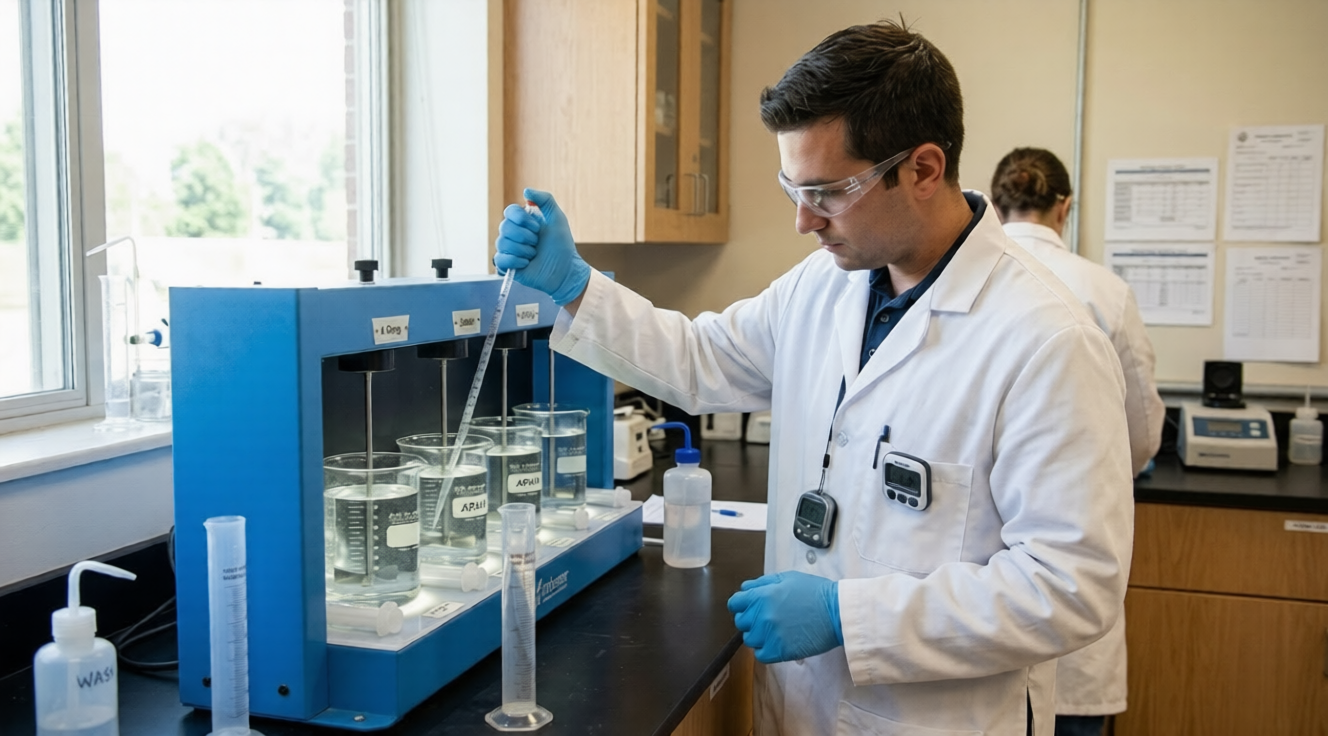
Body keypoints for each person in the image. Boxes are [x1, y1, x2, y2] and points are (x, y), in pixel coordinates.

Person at [495, 21, 1134, 736]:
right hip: (800, 709)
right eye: (793, 187)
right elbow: (704, 361)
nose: (804, 220)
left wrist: (845, 615)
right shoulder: (824, 286)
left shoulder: (1046, 340)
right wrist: (575, 286)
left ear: (923, 169)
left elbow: (1071, 586)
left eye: (828, 191)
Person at [991, 147, 1164, 736]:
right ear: (1065, 206)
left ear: (992, 202)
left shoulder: (968, 282)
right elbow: (1140, 434)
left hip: (981, 603)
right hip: (1064, 600)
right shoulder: (1104, 290)